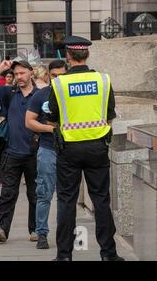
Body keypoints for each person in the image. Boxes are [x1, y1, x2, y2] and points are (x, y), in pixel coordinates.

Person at [47, 36, 123, 261]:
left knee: (67, 201)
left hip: (69, 149)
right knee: (101, 201)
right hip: (97, 147)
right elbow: (110, 115)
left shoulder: (59, 83)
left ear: (68, 57)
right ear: (87, 55)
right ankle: (109, 254)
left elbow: (51, 120)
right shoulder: (103, 80)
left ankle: (64, 256)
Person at [0, 59, 39, 244]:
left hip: (35, 153)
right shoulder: (10, 92)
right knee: (8, 194)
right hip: (12, 153)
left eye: (22, 73)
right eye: (16, 74)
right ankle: (2, 228)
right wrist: (1, 68)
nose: (19, 77)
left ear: (31, 73)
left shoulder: (41, 94)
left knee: (35, 194)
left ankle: (36, 229)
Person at [25, 60, 67, 249]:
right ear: (48, 76)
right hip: (48, 149)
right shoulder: (41, 95)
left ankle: (63, 234)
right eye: (54, 75)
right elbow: (29, 122)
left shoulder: (71, 94)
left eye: (62, 75)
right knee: (44, 193)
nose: (58, 79)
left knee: (65, 196)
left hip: (68, 152)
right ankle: (41, 234)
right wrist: (51, 129)